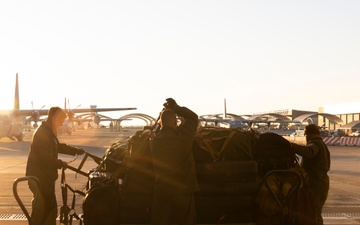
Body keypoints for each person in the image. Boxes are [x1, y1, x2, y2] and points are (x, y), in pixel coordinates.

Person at [25, 106, 85, 225]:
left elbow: (57, 146)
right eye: (61, 120)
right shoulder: (42, 134)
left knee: (48, 209)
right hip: (39, 179)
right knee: (44, 210)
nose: (61, 123)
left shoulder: (48, 131)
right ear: (54, 117)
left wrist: (74, 150)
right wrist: (60, 163)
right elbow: (45, 158)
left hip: (45, 178)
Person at [150, 98, 199, 225]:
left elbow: (157, 132)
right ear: (176, 123)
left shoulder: (154, 142)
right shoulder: (183, 137)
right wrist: (176, 108)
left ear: (160, 123)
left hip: (162, 191)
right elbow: (193, 117)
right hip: (183, 191)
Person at [290, 124, 330, 225]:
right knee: (314, 214)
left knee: (314, 215)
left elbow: (308, 152)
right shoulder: (321, 144)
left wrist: (291, 146)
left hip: (316, 185)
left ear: (311, 135)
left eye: (306, 135)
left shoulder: (315, 144)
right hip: (319, 184)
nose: (306, 138)